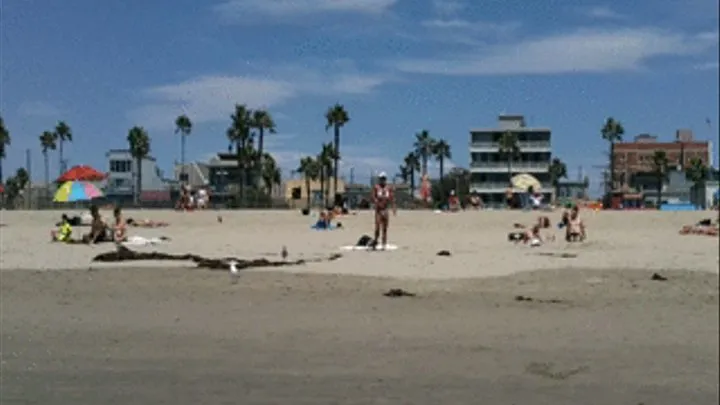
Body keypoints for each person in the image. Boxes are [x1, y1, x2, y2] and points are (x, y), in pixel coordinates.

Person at [371, 172, 396, 249]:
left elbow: (391, 198)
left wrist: (393, 207)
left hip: (385, 209)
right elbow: (373, 197)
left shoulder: (388, 188)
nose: (382, 180)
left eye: (383, 179)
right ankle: (375, 240)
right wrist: (376, 202)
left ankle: (384, 243)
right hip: (378, 210)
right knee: (377, 227)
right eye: (381, 179)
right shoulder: (376, 187)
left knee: (385, 228)